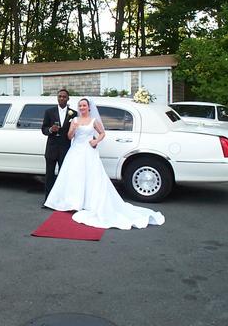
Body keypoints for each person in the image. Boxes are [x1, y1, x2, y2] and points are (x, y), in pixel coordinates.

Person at [44, 97, 165, 229]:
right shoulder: (75, 120)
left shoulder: (93, 120)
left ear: (89, 107)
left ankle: (88, 202)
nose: (82, 107)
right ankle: (73, 202)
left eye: (84, 105)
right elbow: (69, 136)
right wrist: (73, 129)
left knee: (91, 177)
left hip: (89, 151)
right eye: (80, 106)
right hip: (76, 151)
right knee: (74, 176)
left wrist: (95, 141)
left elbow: (102, 133)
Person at [41, 89, 77, 200]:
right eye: (60, 96)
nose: (61, 98)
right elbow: (44, 129)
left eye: (64, 97)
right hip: (51, 148)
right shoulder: (49, 112)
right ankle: (48, 200)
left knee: (64, 175)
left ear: (68, 98)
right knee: (49, 175)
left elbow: (77, 130)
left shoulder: (74, 113)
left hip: (65, 148)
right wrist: (51, 129)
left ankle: (62, 200)